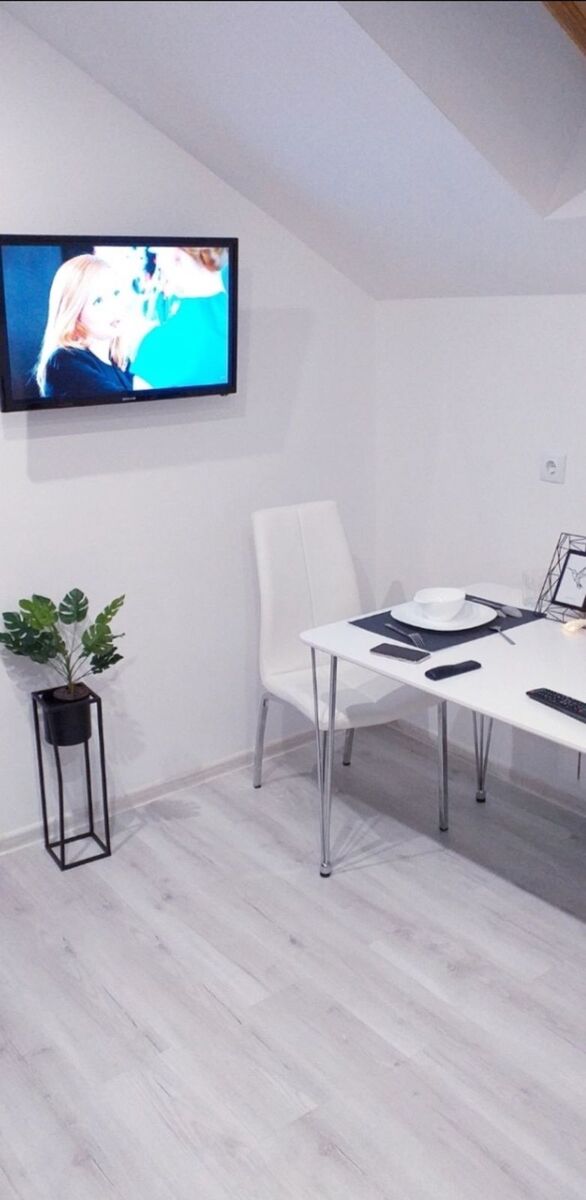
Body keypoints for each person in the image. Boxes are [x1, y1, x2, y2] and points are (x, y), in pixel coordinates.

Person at [35, 254, 151, 399]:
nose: (114, 307)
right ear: (75, 312)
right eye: (98, 301)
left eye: (116, 293)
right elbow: (126, 407)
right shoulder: (63, 362)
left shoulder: (120, 362)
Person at [131, 246, 229, 389]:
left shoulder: (157, 347)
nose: (157, 262)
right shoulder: (237, 305)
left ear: (176, 254)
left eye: (157, 253)